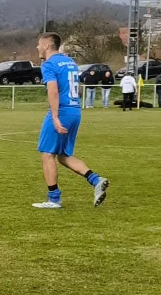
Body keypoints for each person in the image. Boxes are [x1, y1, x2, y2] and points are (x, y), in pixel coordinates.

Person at [33, 31, 111, 209]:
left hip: (62, 111)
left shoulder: (49, 64)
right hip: (75, 110)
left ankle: (54, 199)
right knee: (63, 156)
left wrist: (55, 117)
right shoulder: (70, 62)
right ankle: (96, 180)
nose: (37, 47)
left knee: (47, 154)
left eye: (39, 44)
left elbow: (53, 90)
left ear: (46, 45)